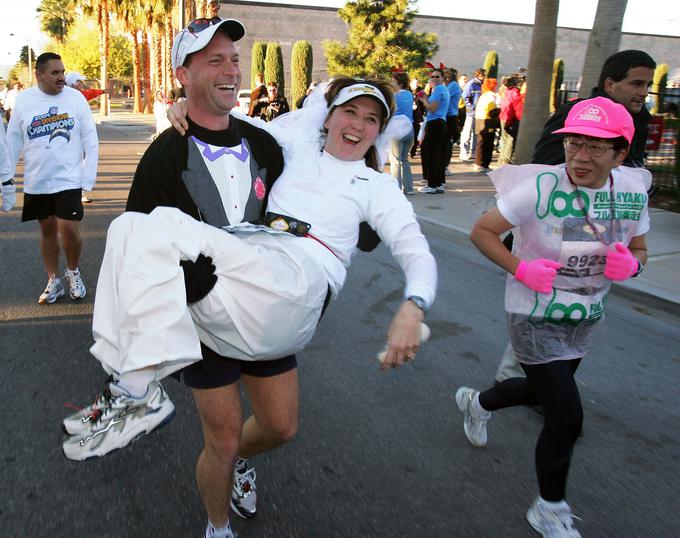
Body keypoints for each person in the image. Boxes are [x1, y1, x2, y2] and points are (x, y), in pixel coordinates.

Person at [63, 19, 435, 538]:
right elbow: (232, 122)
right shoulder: (222, 147)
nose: (230, 69)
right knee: (233, 436)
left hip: (279, 293)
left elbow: (405, 241)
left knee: (279, 425)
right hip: (222, 303)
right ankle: (216, 523)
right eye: (213, 60)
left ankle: (136, 387)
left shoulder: (324, 165)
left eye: (233, 59)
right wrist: (178, 111)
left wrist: (412, 304)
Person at [456, 97, 649, 537]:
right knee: (566, 418)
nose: (581, 157)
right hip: (534, 312)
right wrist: (519, 267)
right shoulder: (539, 188)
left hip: (586, 312)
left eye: (597, 147)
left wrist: (633, 266)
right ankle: (549, 509)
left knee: (538, 390)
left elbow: (640, 249)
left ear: (620, 153)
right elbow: (481, 232)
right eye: (574, 144)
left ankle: (478, 402)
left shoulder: (632, 191)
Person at [495, 49, 656, 384]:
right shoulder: (577, 114)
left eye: (648, 84)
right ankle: (523, 383)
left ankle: (527, 390)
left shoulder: (638, 120)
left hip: (596, 250)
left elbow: (627, 176)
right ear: (610, 84)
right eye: (636, 83)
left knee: (566, 328)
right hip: (554, 241)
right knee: (539, 327)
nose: (643, 91)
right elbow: (548, 167)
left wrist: (625, 203)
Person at [6, 52, 98, 304]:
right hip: (37, 179)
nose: (61, 77)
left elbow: (90, 137)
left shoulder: (75, 99)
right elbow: (13, 140)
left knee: (68, 228)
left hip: (69, 178)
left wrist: (87, 177)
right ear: (39, 75)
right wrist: (6, 177)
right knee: (46, 228)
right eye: (55, 73)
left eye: (62, 72)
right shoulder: (25, 101)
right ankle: (53, 280)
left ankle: (73, 271)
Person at [65, 72, 105, 204]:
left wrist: (103, 91)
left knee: (79, 160)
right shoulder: (62, 95)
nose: (82, 84)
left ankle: (78, 192)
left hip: (78, 135)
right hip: (65, 136)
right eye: (79, 81)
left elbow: (90, 93)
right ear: (72, 83)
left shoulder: (79, 95)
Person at [418, 68, 450, 194]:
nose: (434, 79)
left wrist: (424, 100)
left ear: (442, 78)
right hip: (440, 122)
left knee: (430, 154)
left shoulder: (438, 90)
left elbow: (432, 108)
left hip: (435, 122)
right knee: (438, 154)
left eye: (437, 77)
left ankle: (432, 184)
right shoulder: (443, 90)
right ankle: (439, 183)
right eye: (433, 77)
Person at [389, 72, 414, 194]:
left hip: (396, 129)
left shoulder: (394, 96)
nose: (391, 83)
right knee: (404, 159)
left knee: (395, 161)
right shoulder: (409, 94)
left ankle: (395, 190)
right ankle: (409, 188)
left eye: (393, 81)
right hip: (409, 129)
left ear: (399, 83)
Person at [459, 68, 485, 162]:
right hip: (471, 113)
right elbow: (465, 97)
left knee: (476, 133)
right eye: (483, 75)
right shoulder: (471, 84)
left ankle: (473, 152)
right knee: (467, 132)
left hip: (479, 113)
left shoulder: (482, 85)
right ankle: (464, 152)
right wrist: (472, 107)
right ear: (479, 75)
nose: (485, 77)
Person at [473, 77, 499, 173]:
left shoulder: (483, 95)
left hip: (479, 119)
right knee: (487, 144)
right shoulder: (492, 96)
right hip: (487, 121)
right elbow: (492, 112)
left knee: (480, 143)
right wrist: (499, 110)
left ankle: (478, 163)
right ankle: (483, 165)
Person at [498, 73, 524, 165]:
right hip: (509, 118)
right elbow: (514, 107)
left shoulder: (506, 91)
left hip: (503, 117)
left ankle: (502, 159)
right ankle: (506, 160)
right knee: (510, 140)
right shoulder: (515, 92)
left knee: (505, 140)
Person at [444, 68, 462, 171]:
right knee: (444, 141)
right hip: (448, 115)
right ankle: (444, 164)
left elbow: (444, 97)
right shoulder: (449, 86)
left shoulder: (453, 86)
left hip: (450, 116)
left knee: (447, 141)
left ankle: (445, 165)